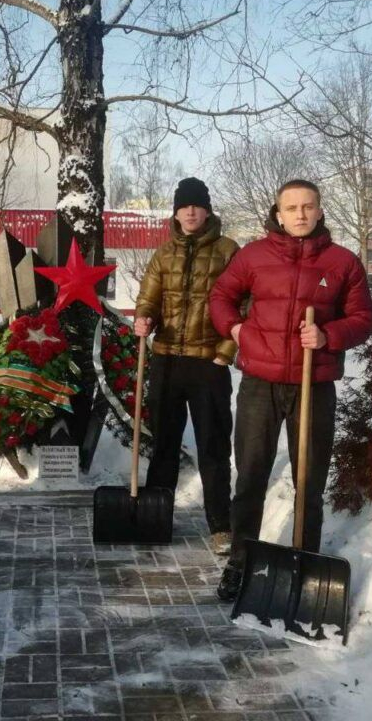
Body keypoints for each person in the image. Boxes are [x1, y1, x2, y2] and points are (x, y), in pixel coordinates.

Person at [209, 179, 372, 600]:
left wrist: (328, 336)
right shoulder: (253, 256)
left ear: (319, 210)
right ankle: (240, 562)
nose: (300, 214)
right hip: (259, 385)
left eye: (308, 206)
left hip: (313, 385)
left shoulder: (343, 262)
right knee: (250, 477)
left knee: (310, 482)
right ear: (278, 213)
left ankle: (304, 562)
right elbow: (221, 296)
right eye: (292, 207)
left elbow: (363, 319)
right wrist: (236, 329)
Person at [134, 177, 240, 556]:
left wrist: (225, 351)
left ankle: (220, 526)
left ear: (207, 210)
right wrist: (144, 318)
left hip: (209, 363)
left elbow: (244, 304)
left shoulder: (229, 251)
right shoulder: (164, 254)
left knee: (213, 445)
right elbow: (148, 298)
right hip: (166, 361)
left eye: (197, 205)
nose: (191, 212)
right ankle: (155, 518)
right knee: (163, 443)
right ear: (176, 212)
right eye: (184, 206)